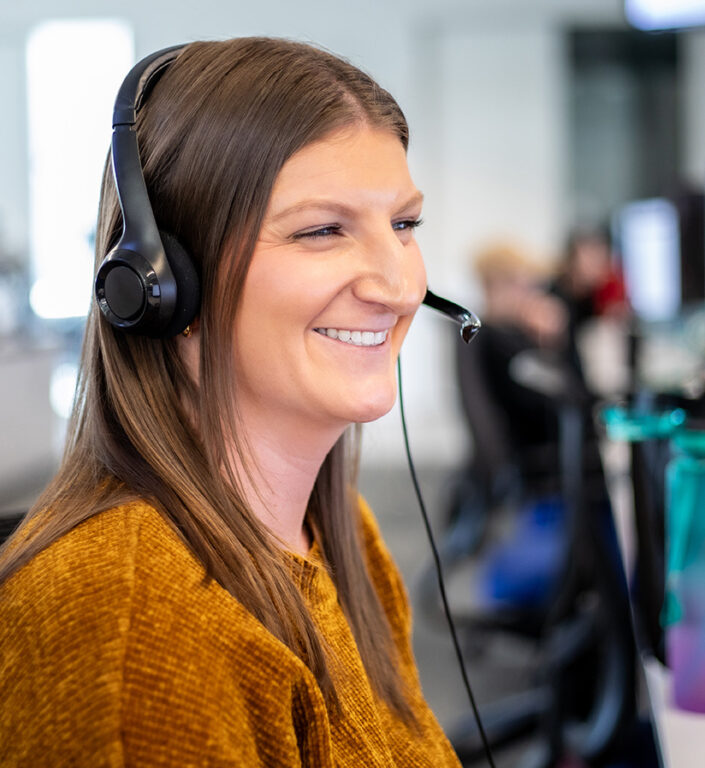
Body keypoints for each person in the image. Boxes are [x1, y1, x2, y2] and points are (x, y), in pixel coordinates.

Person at [0, 38, 461, 767]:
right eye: (322, 230)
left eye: (403, 226)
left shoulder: (341, 533)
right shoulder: (132, 628)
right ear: (159, 282)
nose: (400, 286)